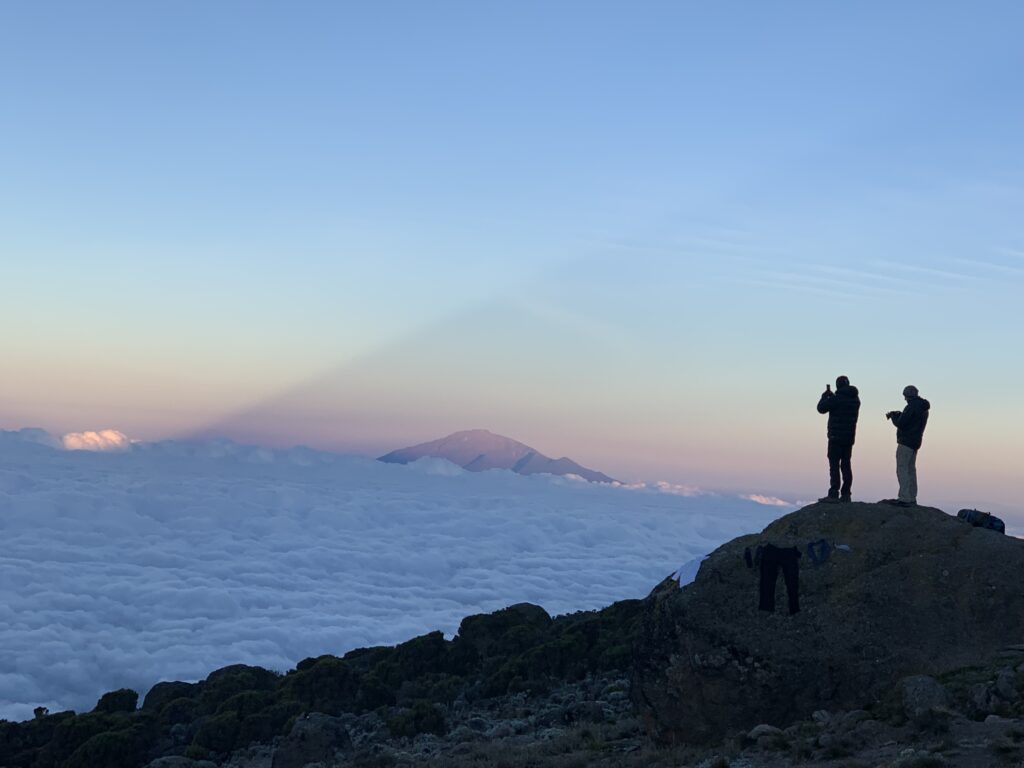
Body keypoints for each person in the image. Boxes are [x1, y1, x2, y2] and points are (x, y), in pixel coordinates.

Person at [816, 375, 861, 502]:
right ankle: (846, 494)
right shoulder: (856, 400)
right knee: (846, 464)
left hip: (835, 437)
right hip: (849, 438)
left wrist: (825, 396)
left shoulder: (836, 399)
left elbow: (821, 408)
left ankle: (834, 493)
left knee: (834, 464)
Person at [884, 385, 931, 507]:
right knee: (911, 469)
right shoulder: (923, 408)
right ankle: (912, 497)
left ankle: (904, 498)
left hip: (906, 442)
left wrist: (894, 417)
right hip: (915, 442)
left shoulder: (911, 407)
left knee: (902, 468)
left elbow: (901, 423)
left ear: (908, 396)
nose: (905, 399)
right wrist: (901, 414)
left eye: (905, 396)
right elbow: (911, 421)